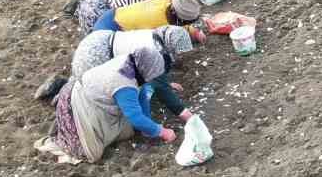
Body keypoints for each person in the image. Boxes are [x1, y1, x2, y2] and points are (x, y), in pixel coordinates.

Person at [35, 47, 177, 164]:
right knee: (90, 153)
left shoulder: (134, 63)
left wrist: (149, 127)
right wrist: (162, 131)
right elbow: (135, 117)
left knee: (129, 131)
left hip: (99, 101)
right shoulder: (124, 82)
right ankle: (59, 140)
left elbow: (142, 93)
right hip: (77, 101)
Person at [35, 25, 204, 118]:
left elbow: (155, 75)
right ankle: (61, 95)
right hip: (97, 55)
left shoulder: (159, 34)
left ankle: (61, 85)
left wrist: (166, 83)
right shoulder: (154, 50)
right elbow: (160, 87)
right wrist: (184, 114)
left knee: (83, 79)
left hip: (100, 39)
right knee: (86, 89)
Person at [90, 0, 202, 33]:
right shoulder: (159, 24)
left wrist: (193, 31)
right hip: (110, 30)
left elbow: (177, 18)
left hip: (111, 15)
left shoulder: (165, 2)